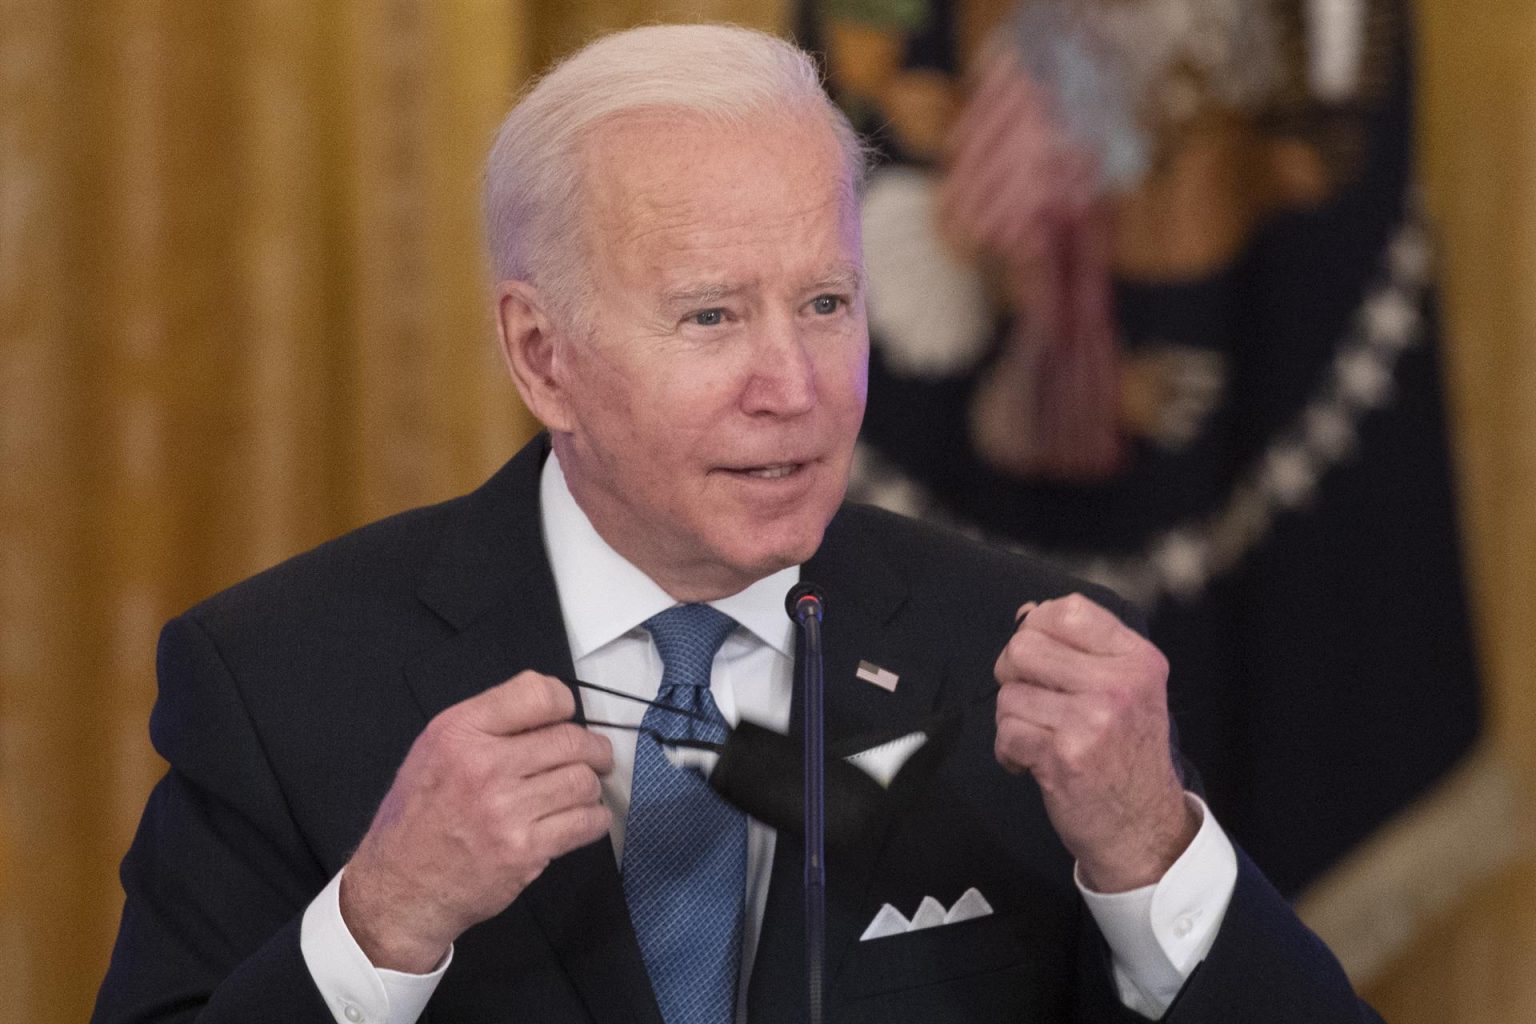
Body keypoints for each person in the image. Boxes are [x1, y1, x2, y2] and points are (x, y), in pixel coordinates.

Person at [93, 23, 1380, 1024]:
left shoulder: (1024, 658)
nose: (796, 386)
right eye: (712, 316)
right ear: (542, 356)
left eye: (825, 304)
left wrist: (1154, 852)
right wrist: (380, 924)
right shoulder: (283, 679)